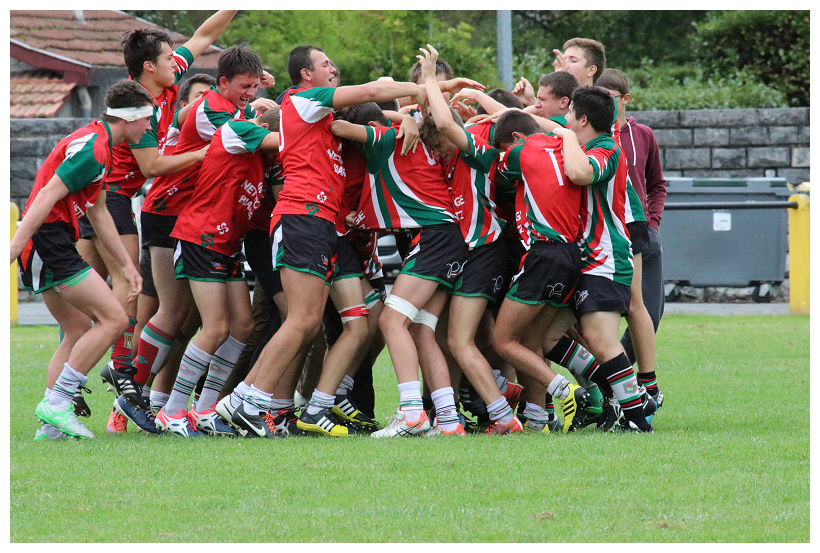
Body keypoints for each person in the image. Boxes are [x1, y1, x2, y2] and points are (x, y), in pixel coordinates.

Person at [215, 45, 431, 438]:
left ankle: (253, 402)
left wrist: (407, 116)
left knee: (315, 322)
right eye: (325, 63)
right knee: (301, 321)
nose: (333, 68)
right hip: (303, 217)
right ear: (305, 74)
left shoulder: (320, 114)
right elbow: (370, 91)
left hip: (317, 222)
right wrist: (425, 87)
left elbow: (366, 110)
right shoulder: (305, 99)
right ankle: (248, 401)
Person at [80, 11, 238, 406]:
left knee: (86, 300)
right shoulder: (138, 105)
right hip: (109, 196)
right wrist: (205, 152)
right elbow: (151, 166)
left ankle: (67, 392)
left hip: (107, 197)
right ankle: (122, 370)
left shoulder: (164, 81)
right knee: (128, 285)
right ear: (149, 66)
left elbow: (203, 36)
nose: (176, 63)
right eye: (169, 58)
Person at [10, 80, 152, 439]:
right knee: (114, 319)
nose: (149, 127)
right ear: (129, 118)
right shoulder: (95, 149)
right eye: (146, 119)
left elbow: (98, 211)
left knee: (77, 330)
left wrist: (126, 266)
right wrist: (12, 250)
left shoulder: (101, 143)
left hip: (51, 240)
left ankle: (51, 427)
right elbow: (45, 196)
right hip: (48, 240)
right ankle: (58, 404)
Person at [152, 110, 281, 437]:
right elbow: (284, 138)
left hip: (227, 244)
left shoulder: (262, 161)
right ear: (263, 128)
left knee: (243, 325)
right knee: (215, 327)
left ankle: (205, 408)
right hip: (202, 237)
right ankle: (172, 410)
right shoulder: (239, 130)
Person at [419, 45, 523, 435]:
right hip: (468, 252)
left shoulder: (476, 150)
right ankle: (476, 406)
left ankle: (504, 414)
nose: (437, 153)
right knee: (453, 337)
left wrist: (431, 81)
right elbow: (436, 124)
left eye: (439, 147)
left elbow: (448, 127)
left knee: (461, 341)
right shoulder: (454, 152)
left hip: (485, 250)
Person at [107, 72, 216, 434]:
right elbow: (153, 167)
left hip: (190, 224)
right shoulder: (185, 127)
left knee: (183, 319)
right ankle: (126, 393)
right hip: (165, 218)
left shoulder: (215, 125)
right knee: (158, 312)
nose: (208, 104)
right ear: (184, 106)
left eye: (211, 96)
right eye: (200, 98)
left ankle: (154, 400)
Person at [550, 86, 653, 432]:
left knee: (601, 340)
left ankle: (637, 418)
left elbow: (580, 174)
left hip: (605, 259)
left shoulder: (607, 148)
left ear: (582, 120)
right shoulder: (585, 144)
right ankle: (623, 393)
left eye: (569, 115)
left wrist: (566, 136)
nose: (564, 120)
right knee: (547, 336)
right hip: (584, 259)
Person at [595, 68, 666, 410]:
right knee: (602, 318)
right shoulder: (590, 135)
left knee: (649, 313)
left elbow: (657, 185)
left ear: (625, 99)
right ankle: (620, 390)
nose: (606, 104)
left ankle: (635, 383)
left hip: (641, 235)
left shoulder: (643, 135)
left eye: (611, 98)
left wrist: (652, 223)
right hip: (606, 238)